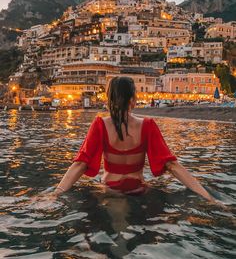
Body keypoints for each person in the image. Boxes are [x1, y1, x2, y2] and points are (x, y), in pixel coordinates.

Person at [52, 76, 216, 202]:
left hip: (109, 189)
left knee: (117, 225)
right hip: (139, 189)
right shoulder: (148, 125)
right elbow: (172, 165)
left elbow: (80, 164)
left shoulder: (100, 125)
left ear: (109, 100)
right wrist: (208, 197)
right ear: (132, 99)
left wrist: (55, 194)